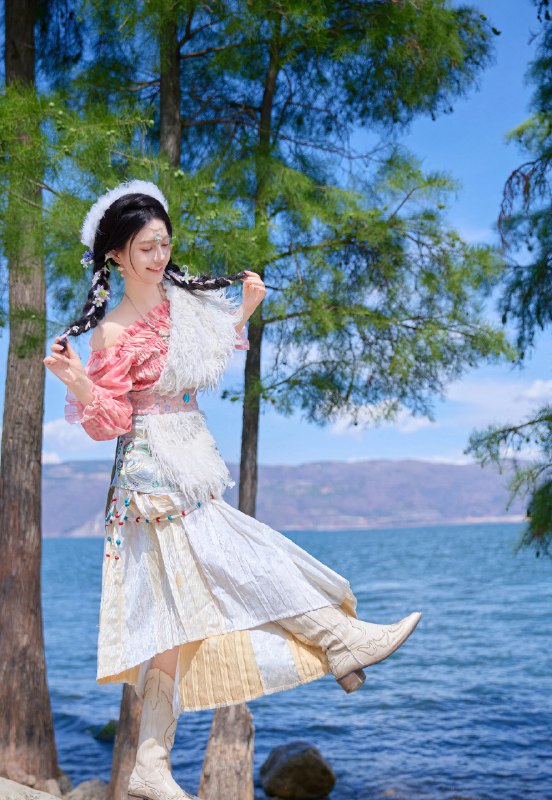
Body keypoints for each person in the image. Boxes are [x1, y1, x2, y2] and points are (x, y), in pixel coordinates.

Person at [44, 180, 422, 800]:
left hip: (193, 458)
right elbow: (109, 422)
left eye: (164, 244)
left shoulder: (181, 304)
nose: (159, 257)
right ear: (115, 254)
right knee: (239, 563)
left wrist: (242, 310)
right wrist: (79, 382)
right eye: (145, 248)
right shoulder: (112, 332)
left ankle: (150, 765)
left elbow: (208, 355)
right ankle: (340, 642)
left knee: (174, 626)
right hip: (151, 474)